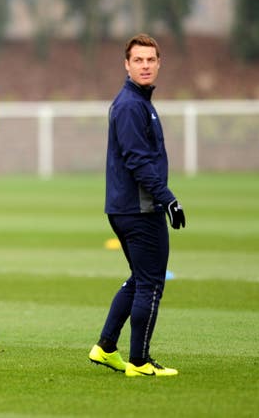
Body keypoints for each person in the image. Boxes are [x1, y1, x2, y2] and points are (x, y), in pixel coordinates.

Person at [88, 33, 185, 377]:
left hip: (127, 206)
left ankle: (105, 347)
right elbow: (137, 160)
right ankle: (140, 361)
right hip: (139, 208)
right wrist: (167, 198)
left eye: (150, 60)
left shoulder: (138, 102)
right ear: (126, 65)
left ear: (159, 63)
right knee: (151, 282)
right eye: (138, 60)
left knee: (139, 278)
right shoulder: (130, 105)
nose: (145, 66)